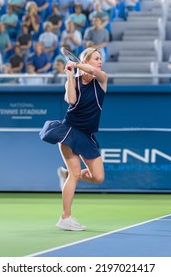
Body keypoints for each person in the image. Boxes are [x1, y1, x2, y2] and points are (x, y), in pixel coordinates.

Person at [39, 48, 108, 231]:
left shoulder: (102, 80)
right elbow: (70, 100)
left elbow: (94, 72)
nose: (100, 61)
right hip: (69, 130)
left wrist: (76, 64)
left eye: (101, 58)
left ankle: (63, 173)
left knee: (98, 177)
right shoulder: (75, 81)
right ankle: (65, 217)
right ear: (87, 59)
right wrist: (70, 75)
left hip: (88, 135)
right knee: (75, 174)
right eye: (96, 58)